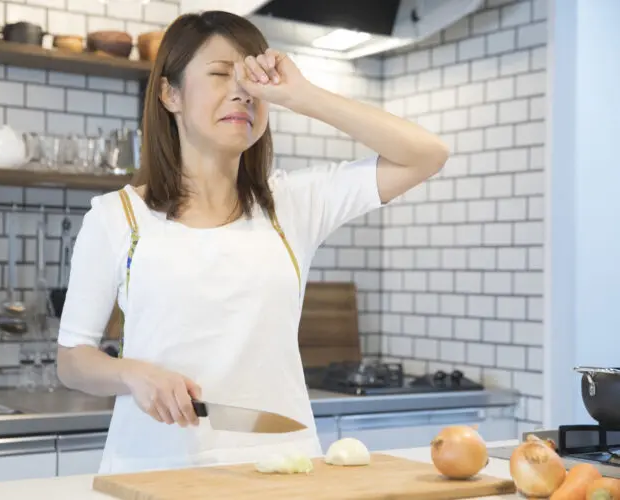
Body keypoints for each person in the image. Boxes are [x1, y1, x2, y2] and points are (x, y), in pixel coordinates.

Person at [56, 10, 449, 475]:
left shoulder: (292, 205)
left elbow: (427, 154)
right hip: (154, 469)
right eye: (221, 74)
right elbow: (73, 360)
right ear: (170, 93)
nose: (243, 91)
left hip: (282, 465)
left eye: (253, 78)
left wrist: (302, 95)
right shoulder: (117, 217)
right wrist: (131, 373)